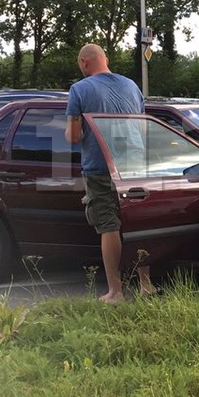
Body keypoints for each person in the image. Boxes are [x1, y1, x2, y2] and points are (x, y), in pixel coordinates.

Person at [64, 43, 157, 302]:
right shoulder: (131, 86)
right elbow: (144, 128)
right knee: (135, 224)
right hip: (135, 165)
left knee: (108, 225)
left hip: (100, 167)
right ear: (105, 60)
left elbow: (73, 136)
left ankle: (115, 291)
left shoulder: (79, 89)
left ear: (84, 63)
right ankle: (146, 284)